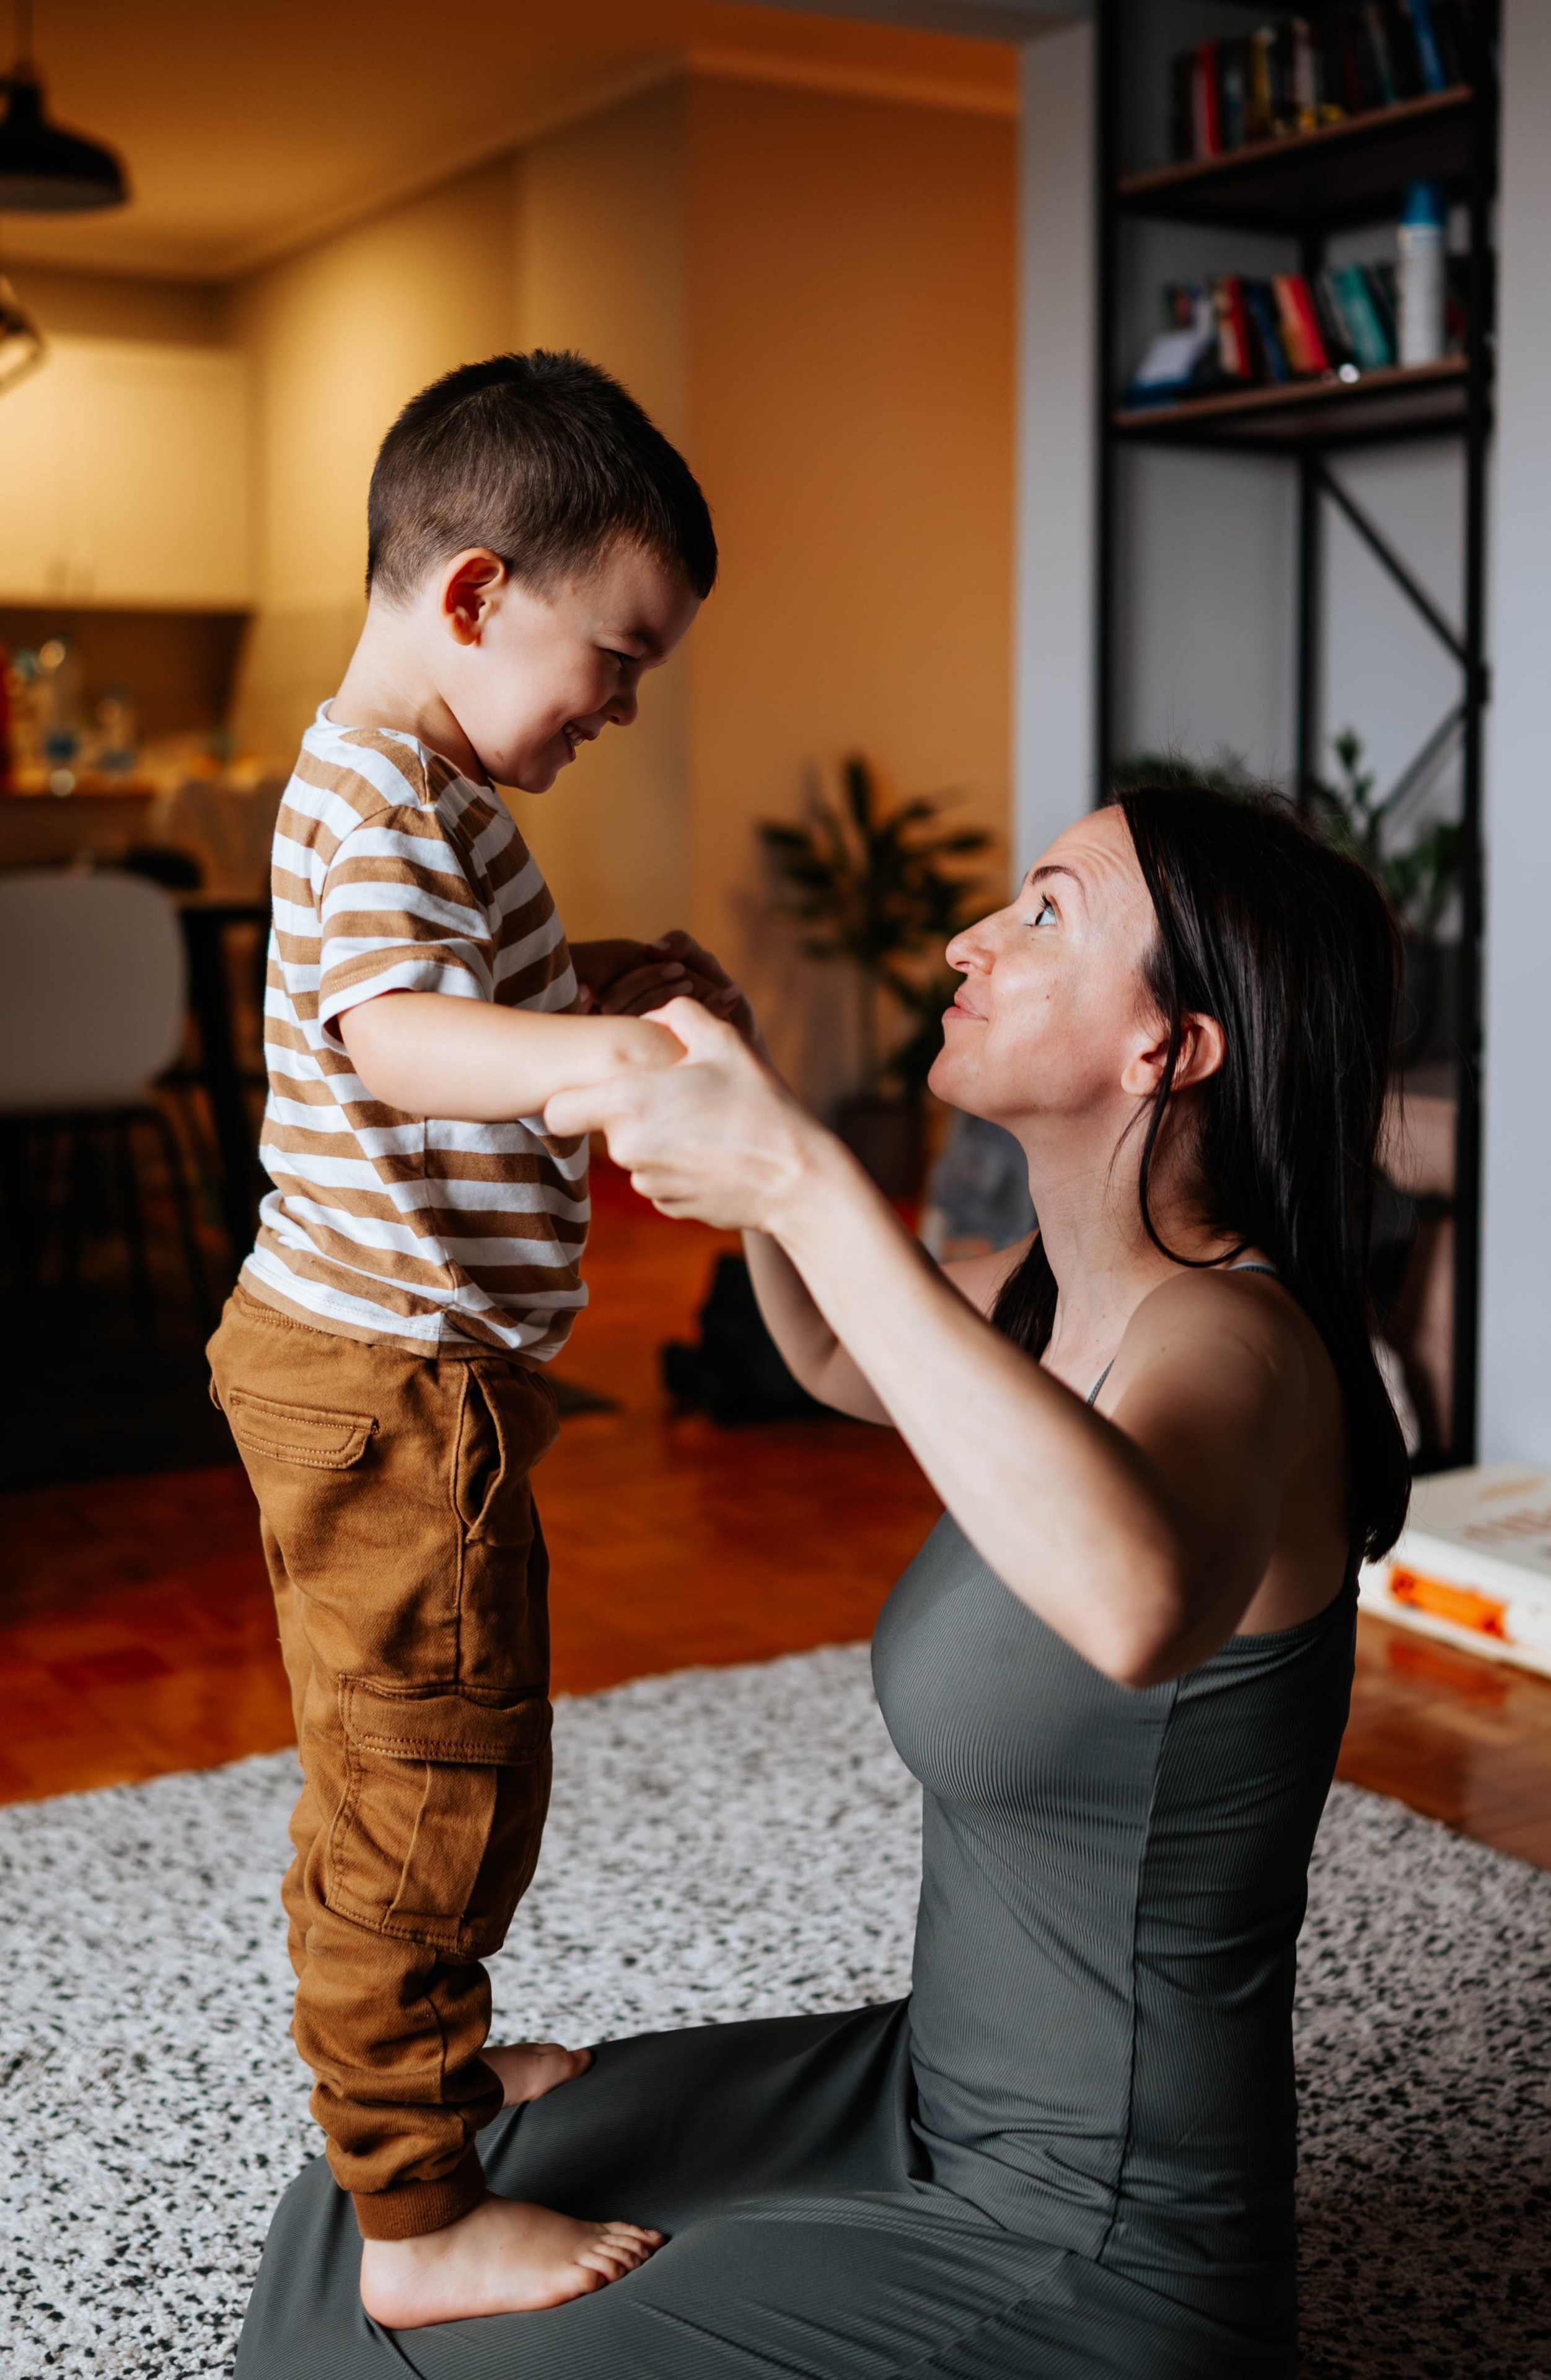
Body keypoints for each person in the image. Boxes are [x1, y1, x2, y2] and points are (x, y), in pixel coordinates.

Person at [231, 782, 1409, 2379]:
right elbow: (843, 1343)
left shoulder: (1242, 1348)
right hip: (927, 2092)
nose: (966, 940)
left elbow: (1140, 1603)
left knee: (377, 2360)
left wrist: (799, 1176)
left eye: (1047, 912)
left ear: (1172, 1046)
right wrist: (750, 1083)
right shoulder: (1049, 1302)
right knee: (383, 2206)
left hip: (1102, 2241)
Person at [207, 350, 754, 2330]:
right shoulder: (374, 794)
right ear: (472, 594)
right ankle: (418, 2219)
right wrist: (602, 1056)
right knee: (422, 1781)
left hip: (412, 1373)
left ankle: (431, 2069)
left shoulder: (422, 785)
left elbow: (449, 988)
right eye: (615, 654)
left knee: (449, 1757)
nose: (619, 699)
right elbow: (395, 1034)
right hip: (388, 1386)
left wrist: (598, 973)